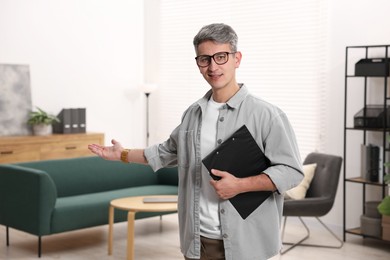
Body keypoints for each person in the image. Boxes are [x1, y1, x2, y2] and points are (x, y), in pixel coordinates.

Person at [88, 23, 303, 260]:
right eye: (204, 59)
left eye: (221, 57)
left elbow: (291, 171)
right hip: (198, 242)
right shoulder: (193, 114)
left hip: (249, 243)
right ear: (198, 63)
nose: (213, 66)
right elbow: (166, 152)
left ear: (237, 59)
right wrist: (122, 154)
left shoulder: (266, 115)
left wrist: (240, 185)